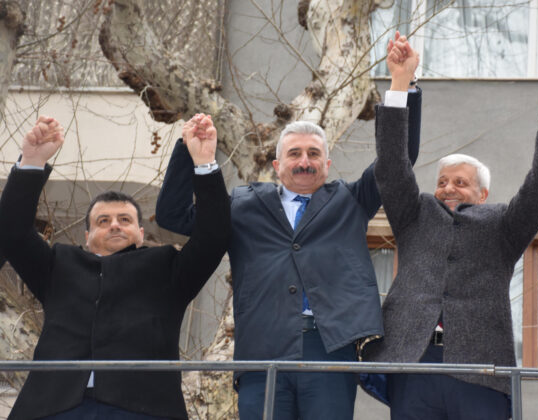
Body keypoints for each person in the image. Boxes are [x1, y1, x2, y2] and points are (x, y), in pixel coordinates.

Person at [155, 33, 422, 419]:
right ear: (277, 166)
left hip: (331, 345)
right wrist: (191, 154)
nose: (304, 162)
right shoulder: (243, 205)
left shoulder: (350, 199)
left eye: (314, 154)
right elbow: (173, 216)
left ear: (327, 166)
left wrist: (401, 84)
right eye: (294, 154)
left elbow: (399, 160)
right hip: (262, 348)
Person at [362, 68, 538, 418]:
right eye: (443, 181)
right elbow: (390, 166)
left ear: (483, 194)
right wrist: (399, 86)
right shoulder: (414, 213)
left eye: (460, 182)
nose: (448, 188)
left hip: (480, 368)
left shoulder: (502, 223)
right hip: (414, 361)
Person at [0, 115, 230, 419]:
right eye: (102, 221)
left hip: (143, 407)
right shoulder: (58, 264)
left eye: (125, 220)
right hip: (53, 406)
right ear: (87, 235)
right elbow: (12, 231)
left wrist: (203, 162)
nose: (114, 226)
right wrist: (31, 162)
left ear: (141, 233)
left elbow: (213, 236)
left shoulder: (167, 267)